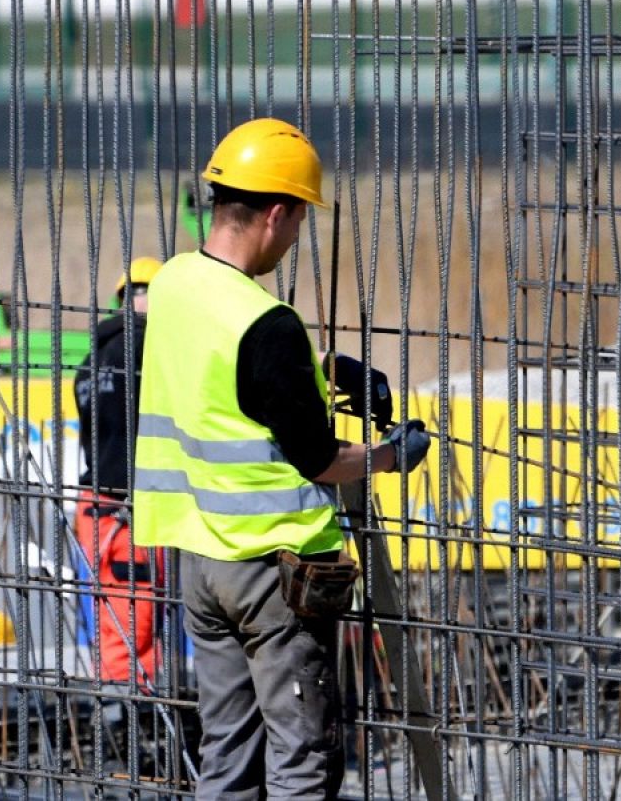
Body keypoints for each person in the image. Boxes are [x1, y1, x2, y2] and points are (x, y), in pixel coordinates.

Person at [132, 118, 431, 799]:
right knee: (302, 758)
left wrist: (321, 369)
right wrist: (390, 455)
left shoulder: (174, 283)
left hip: (201, 562)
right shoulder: (267, 322)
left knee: (227, 754)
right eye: (298, 221)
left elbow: (224, 369)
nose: (296, 237)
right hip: (275, 573)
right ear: (275, 213)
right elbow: (318, 458)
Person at [73, 256, 164, 689]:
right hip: (130, 506)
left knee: (114, 611)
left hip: (94, 505)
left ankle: (118, 703)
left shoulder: (90, 360)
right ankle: (128, 711)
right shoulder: (148, 346)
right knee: (137, 615)